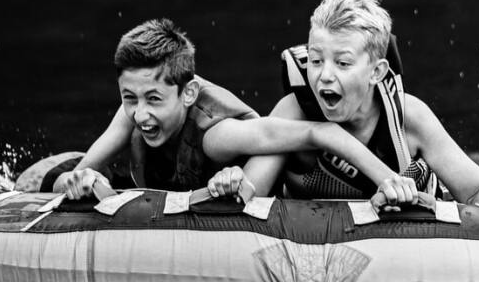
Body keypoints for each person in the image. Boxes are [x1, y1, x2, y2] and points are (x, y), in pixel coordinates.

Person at [239, 0, 479, 215]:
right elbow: (250, 193)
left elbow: (476, 192)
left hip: (417, 232)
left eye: (342, 63)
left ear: (377, 71)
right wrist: (233, 182)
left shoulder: (409, 117)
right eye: (315, 60)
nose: (324, 75)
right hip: (314, 245)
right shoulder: (294, 112)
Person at [53, 19, 420, 204]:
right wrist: (81, 181)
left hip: (239, 197)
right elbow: (72, 176)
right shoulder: (132, 111)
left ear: (188, 93)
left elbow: (319, 131)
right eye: (129, 98)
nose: (140, 114)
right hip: (160, 192)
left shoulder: (218, 136)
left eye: (153, 99)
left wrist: (389, 179)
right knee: (61, 174)